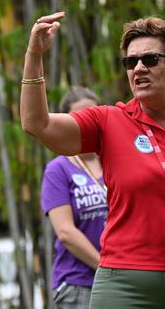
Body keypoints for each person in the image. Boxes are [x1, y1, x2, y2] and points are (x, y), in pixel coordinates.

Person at [21, 12, 165, 309]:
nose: (138, 68)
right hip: (124, 287)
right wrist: (34, 54)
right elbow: (36, 124)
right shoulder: (107, 121)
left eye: (150, 60)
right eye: (130, 62)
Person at [41, 87, 108, 309]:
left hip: (121, 282)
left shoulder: (113, 161)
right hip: (78, 284)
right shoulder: (58, 169)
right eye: (81, 119)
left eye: (93, 116)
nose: (88, 125)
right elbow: (66, 232)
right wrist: (108, 268)